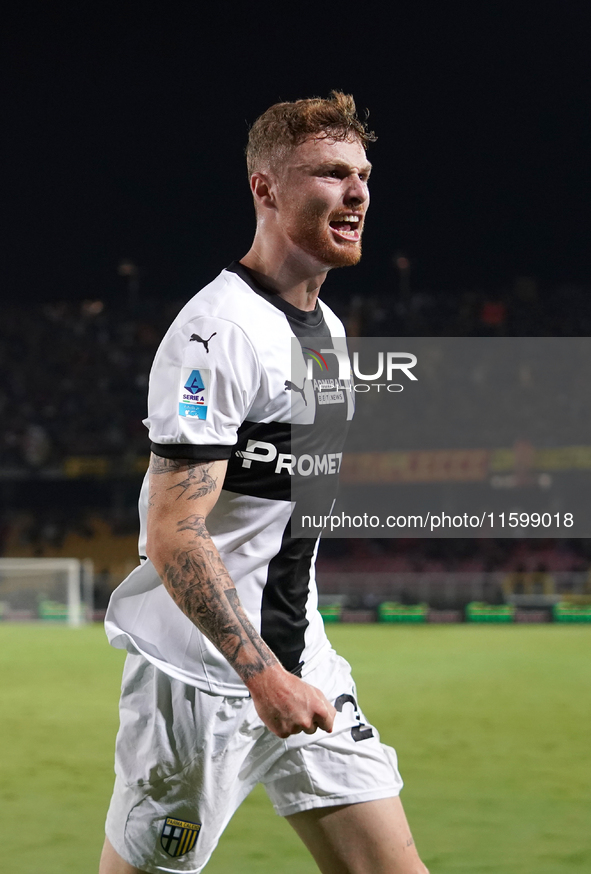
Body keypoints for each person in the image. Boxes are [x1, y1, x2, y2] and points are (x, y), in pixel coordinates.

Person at [100, 91, 429, 874]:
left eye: (362, 175)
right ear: (265, 187)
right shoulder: (216, 333)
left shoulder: (328, 331)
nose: (356, 195)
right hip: (203, 683)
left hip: (302, 662)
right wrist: (259, 676)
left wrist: (287, 668)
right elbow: (171, 528)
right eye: (328, 174)